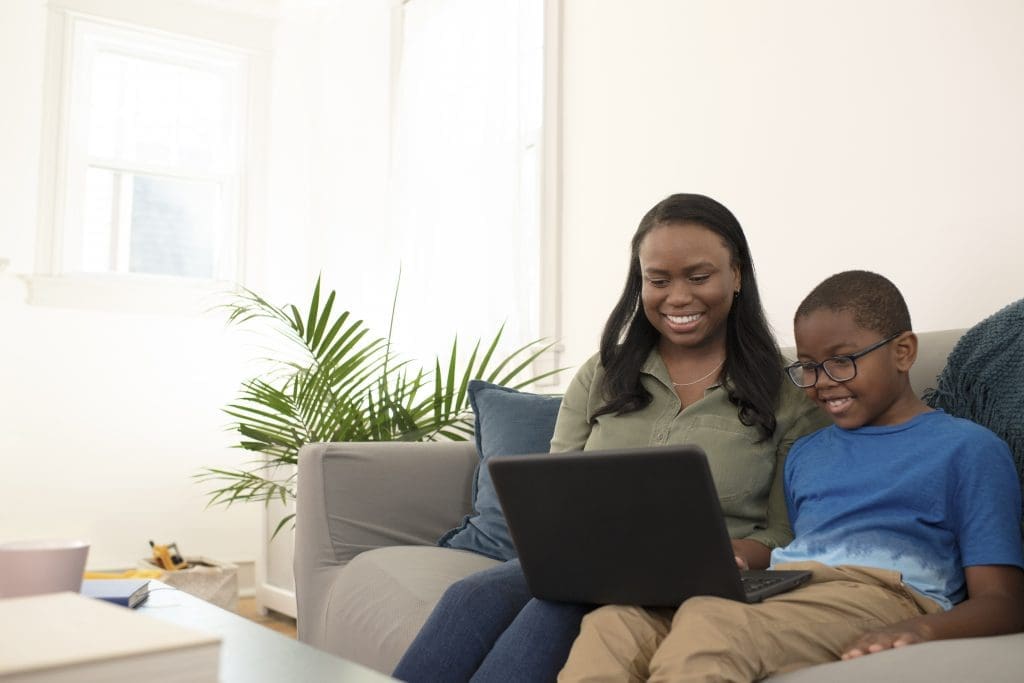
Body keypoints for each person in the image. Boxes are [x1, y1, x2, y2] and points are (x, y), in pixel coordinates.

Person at [392, 193, 828, 682]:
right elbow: (552, 490)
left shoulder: (790, 393)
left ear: (738, 276)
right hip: (587, 562)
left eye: (699, 277)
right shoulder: (603, 373)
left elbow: (785, 534)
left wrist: (736, 554)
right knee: (470, 595)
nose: (677, 297)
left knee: (552, 613)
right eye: (658, 280)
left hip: (694, 578)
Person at [558, 270, 1024, 682]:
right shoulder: (807, 452)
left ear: (903, 352)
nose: (822, 381)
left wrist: (922, 629)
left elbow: (1003, 600)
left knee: (711, 622)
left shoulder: (968, 449)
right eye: (807, 367)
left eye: (843, 360)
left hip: (882, 592)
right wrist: (714, 560)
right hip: (788, 586)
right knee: (616, 621)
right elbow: (790, 547)